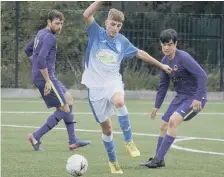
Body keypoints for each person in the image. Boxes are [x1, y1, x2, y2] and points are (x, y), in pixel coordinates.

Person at [82, 1, 172, 174]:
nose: (115, 28)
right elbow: (86, 15)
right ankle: (113, 162)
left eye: (118, 25)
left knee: (119, 101)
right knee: (107, 129)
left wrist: (161, 65)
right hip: (95, 89)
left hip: (113, 82)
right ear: (106, 22)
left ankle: (129, 141)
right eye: (112, 24)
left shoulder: (122, 42)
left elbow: (141, 54)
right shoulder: (95, 33)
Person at [140, 29, 207, 168]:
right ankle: (159, 160)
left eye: (169, 44)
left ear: (176, 44)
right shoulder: (164, 61)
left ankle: (157, 160)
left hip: (194, 97)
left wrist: (198, 98)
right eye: (163, 44)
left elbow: (202, 76)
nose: (166, 47)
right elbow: (163, 85)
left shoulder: (184, 58)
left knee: (172, 121)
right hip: (180, 97)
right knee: (163, 125)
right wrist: (157, 106)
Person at [24, 10, 91, 151]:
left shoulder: (41, 33)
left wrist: (36, 66)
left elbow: (27, 49)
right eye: (56, 23)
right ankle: (36, 136)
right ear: (49, 22)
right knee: (64, 109)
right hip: (46, 78)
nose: (59, 26)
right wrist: (47, 79)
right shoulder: (49, 38)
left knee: (69, 100)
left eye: (61, 23)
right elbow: (41, 59)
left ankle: (73, 140)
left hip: (45, 76)